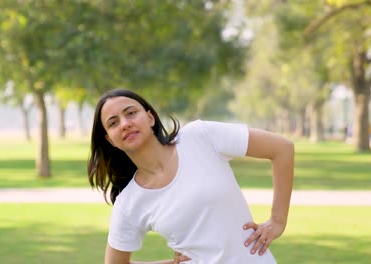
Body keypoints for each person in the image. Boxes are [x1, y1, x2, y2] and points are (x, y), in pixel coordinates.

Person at [88, 89, 294, 264]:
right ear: (110, 140)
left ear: (150, 118)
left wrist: (277, 221)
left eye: (131, 113)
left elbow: (282, 148)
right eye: (113, 123)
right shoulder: (129, 202)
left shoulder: (200, 136)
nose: (125, 123)